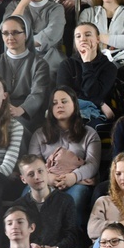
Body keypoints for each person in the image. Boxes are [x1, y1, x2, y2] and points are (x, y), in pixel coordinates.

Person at [29, 85, 102, 227]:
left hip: (77, 181)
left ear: (74, 104)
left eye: (64, 101)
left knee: (74, 198)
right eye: (55, 103)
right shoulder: (39, 134)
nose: (59, 106)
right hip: (46, 180)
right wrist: (47, 178)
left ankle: (72, 240)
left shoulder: (89, 133)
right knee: (30, 196)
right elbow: (32, 163)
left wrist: (73, 177)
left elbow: (93, 164)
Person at [13, 154, 78, 248]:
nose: (37, 177)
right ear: (23, 179)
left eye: (40, 171)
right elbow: (12, 238)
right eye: (31, 174)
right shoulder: (18, 206)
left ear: (47, 171)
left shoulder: (65, 200)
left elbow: (72, 235)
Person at [0, 15, 51, 133]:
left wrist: (20, 109)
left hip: (27, 113)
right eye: (5, 33)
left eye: (15, 32)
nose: (10, 37)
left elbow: (38, 94)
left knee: (14, 127)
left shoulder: (40, 64)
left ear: (26, 35)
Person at [3, 0, 65, 82]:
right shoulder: (14, 7)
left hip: (48, 56)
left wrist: (22, 43)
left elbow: (52, 32)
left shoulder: (55, 8)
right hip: (17, 54)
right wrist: (23, 4)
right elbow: (7, 30)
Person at [57, 22, 118, 126]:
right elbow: (63, 95)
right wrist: (100, 102)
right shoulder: (66, 65)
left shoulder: (109, 67)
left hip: (96, 112)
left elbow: (94, 92)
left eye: (88, 35)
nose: (83, 39)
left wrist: (86, 63)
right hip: (72, 108)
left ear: (98, 39)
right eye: (78, 36)